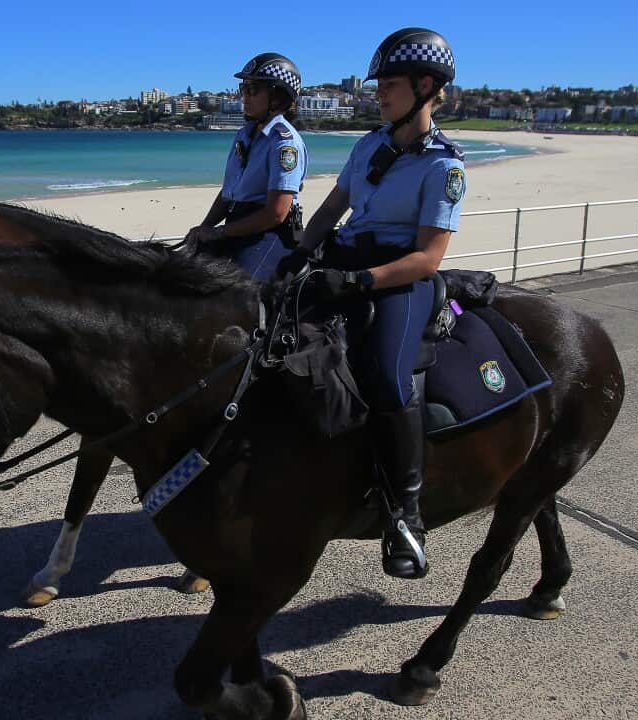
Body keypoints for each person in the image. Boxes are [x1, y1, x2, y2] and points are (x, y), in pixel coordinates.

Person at [282, 28, 465, 579]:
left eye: (389, 84)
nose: (378, 94)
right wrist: (301, 255)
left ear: (425, 85)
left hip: (397, 280)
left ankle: (405, 514)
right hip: (343, 263)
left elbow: (428, 257)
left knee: (386, 375)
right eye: (379, 84)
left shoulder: (446, 168)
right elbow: (332, 207)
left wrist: (359, 283)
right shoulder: (368, 146)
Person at [183, 52, 308, 280]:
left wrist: (218, 232)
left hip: (268, 234)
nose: (245, 96)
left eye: (253, 89)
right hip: (236, 225)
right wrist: (203, 229)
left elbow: (276, 213)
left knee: (236, 291)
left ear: (278, 96)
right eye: (244, 88)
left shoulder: (284, 143)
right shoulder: (245, 135)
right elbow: (228, 192)